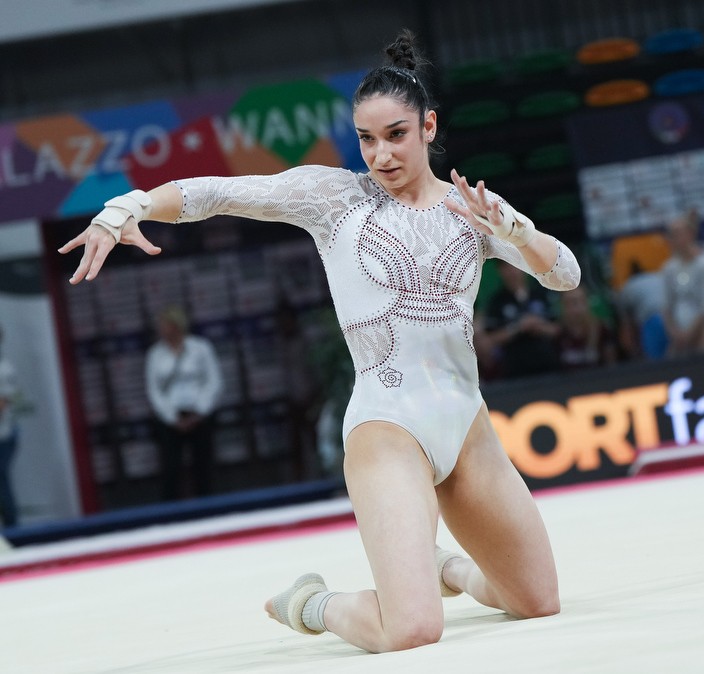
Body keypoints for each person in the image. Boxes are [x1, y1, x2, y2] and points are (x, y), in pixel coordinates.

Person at [60, 30, 578, 653]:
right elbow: (219, 193)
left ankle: (451, 572)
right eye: (366, 138)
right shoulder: (336, 198)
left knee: (537, 601)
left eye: (396, 135)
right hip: (388, 427)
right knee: (412, 629)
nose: (380, 154)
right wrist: (129, 206)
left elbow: (565, 275)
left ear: (429, 127)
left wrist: (517, 231)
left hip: (468, 428)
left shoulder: (474, 209)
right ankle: (314, 603)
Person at [145, 306, 223, 501]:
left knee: (203, 467)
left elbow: (214, 381)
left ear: (176, 325)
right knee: (171, 469)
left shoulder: (201, 348)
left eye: (164, 324)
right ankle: (171, 511)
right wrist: (172, 418)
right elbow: (154, 390)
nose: (160, 329)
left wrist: (200, 412)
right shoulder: (155, 354)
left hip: (199, 415)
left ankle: (208, 507)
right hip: (170, 419)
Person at [484, 261, 562, 378]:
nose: (512, 272)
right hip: (515, 370)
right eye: (507, 268)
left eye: (516, 266)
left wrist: (539, 326)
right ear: (500, 271)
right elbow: (490, 339)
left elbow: (558, 328)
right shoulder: (497, 302)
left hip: (548, 365)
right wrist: (518, 327)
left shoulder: (541, 294)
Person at [662, 210, 704, 357]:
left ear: (690, 234)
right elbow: (666, 307)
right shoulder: (669, 268)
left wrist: (689, 335)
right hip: (678, 336)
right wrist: (676, 333)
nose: (672, 239)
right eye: (670, 234)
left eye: (677, 233)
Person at [556, 286, 618, 370]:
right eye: (569, 303)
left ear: (587, 302)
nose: (575, 308)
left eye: (578, 302)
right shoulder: (558, 334)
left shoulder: (602, 330)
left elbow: (612, 366)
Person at [0, 325, 20, 528]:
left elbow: (2, 405)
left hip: (3, 437)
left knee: (2, 483)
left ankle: (13, 532)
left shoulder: (4, 369)